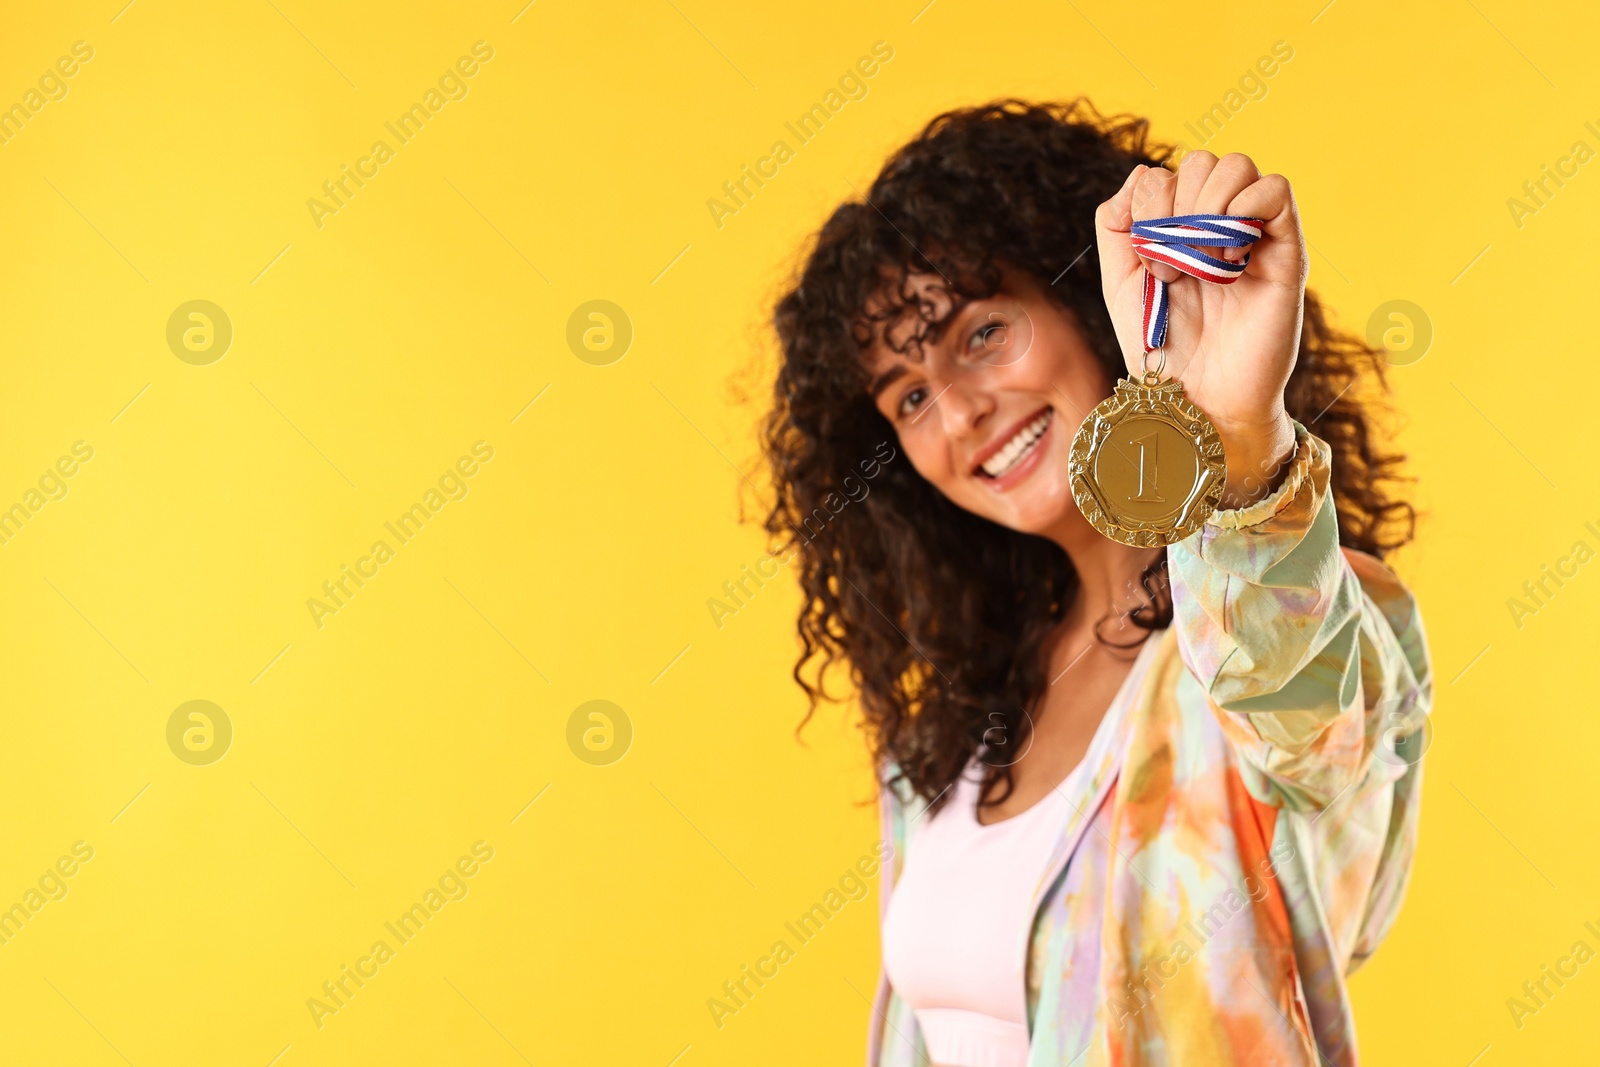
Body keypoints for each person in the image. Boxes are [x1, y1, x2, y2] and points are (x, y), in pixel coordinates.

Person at [759, 99, 1431, 1067]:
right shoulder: (951, 732)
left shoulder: (1279, 624)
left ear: (1082, 306)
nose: (957, 413)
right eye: (907, 394)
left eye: (980, 333)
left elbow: (1319, 740)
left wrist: (1234, 451)